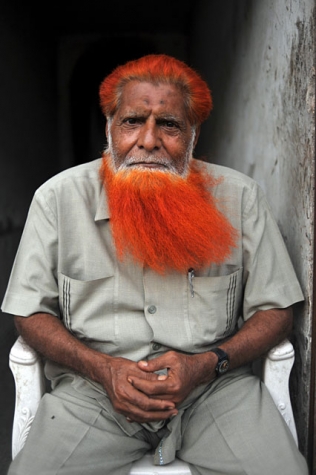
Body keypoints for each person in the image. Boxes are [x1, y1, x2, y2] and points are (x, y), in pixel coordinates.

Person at [2, 54, 309, 475]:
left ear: (193, 137)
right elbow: (30, 310)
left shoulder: (240, 198)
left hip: (213, 391)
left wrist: (206, 364)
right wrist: (104, 369)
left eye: (169, 125)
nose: (149, 141)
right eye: (132, 122)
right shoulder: (58, 200)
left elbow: (276, 310)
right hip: (94, 394)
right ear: (109, 129)